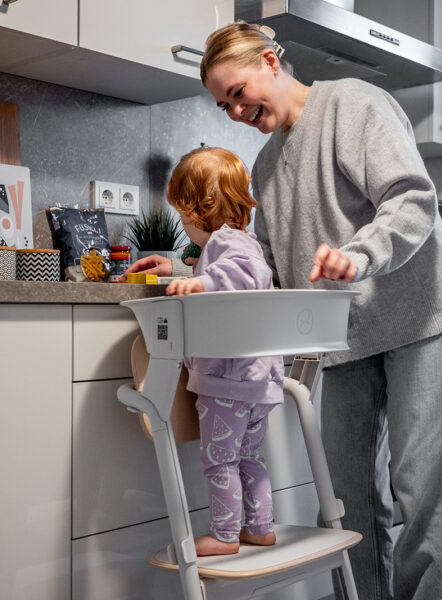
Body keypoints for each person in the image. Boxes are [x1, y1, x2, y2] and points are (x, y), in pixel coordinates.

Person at [128, 21, 442, 600]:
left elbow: (412, 196)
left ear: (271, 60)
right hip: (345, 335)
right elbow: (259, 263)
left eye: (238, 92)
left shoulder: (352, 104)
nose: (235, 112)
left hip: (422, 318)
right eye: (223, 105)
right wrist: (186, 270)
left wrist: (360, 255)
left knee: (422, 494)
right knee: (349, 500)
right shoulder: (265, 166)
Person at [162, 146, 285, 557]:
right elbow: (235, 271)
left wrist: (200, 283)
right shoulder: (238, 242)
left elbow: (247, 274)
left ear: (202, 209)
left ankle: (225, 535)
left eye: (184, 219)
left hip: (227, 382)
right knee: (250, 459)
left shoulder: (226, 244)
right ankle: (261, 528)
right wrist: (184, 272)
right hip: (254, 381)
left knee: (220, 461)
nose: (186, 230)